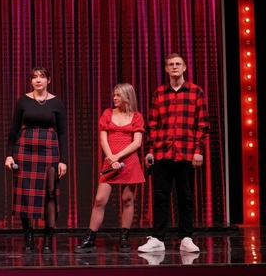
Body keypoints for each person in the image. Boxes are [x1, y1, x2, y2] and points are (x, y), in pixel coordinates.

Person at [138, 53, 209, 254]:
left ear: (184, 67)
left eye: (178, 64)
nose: (175, 67)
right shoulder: (159, 93)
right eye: (171, 64)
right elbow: (152, 125)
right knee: (160, 196)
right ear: (166, 69)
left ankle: (186, 238)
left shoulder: (196, 91)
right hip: (162, 152)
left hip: (186, 152)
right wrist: (150, 151)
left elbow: (202, 125)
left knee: (185, 196)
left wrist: (198, 150)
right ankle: (158, 238)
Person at [74, 83, 145, 253]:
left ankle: (124, 238)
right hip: (110, 161)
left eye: (118, 95)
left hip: (129, 162)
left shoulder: (136, 116)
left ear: (127, 96)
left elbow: (137, 142)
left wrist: (118, 156)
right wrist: (111, 158)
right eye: (114, 95)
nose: (115, 98)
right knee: (100, 200)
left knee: (127, 200)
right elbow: (103, 139)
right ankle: (90, 238)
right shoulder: (107, 113)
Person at [5, 66, 68, 252]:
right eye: (34, 77)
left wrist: (63, 160)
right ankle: (29, 237)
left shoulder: (56, 102)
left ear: (49, 80)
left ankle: (48, 237)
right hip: (24, 150)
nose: (38, 80)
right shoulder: (23, 100)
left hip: (49, 150)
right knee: (26, 194)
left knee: (50, 192)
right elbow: (14, 129)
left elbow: (63, 133)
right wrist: (9, 154)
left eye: (41, 77)